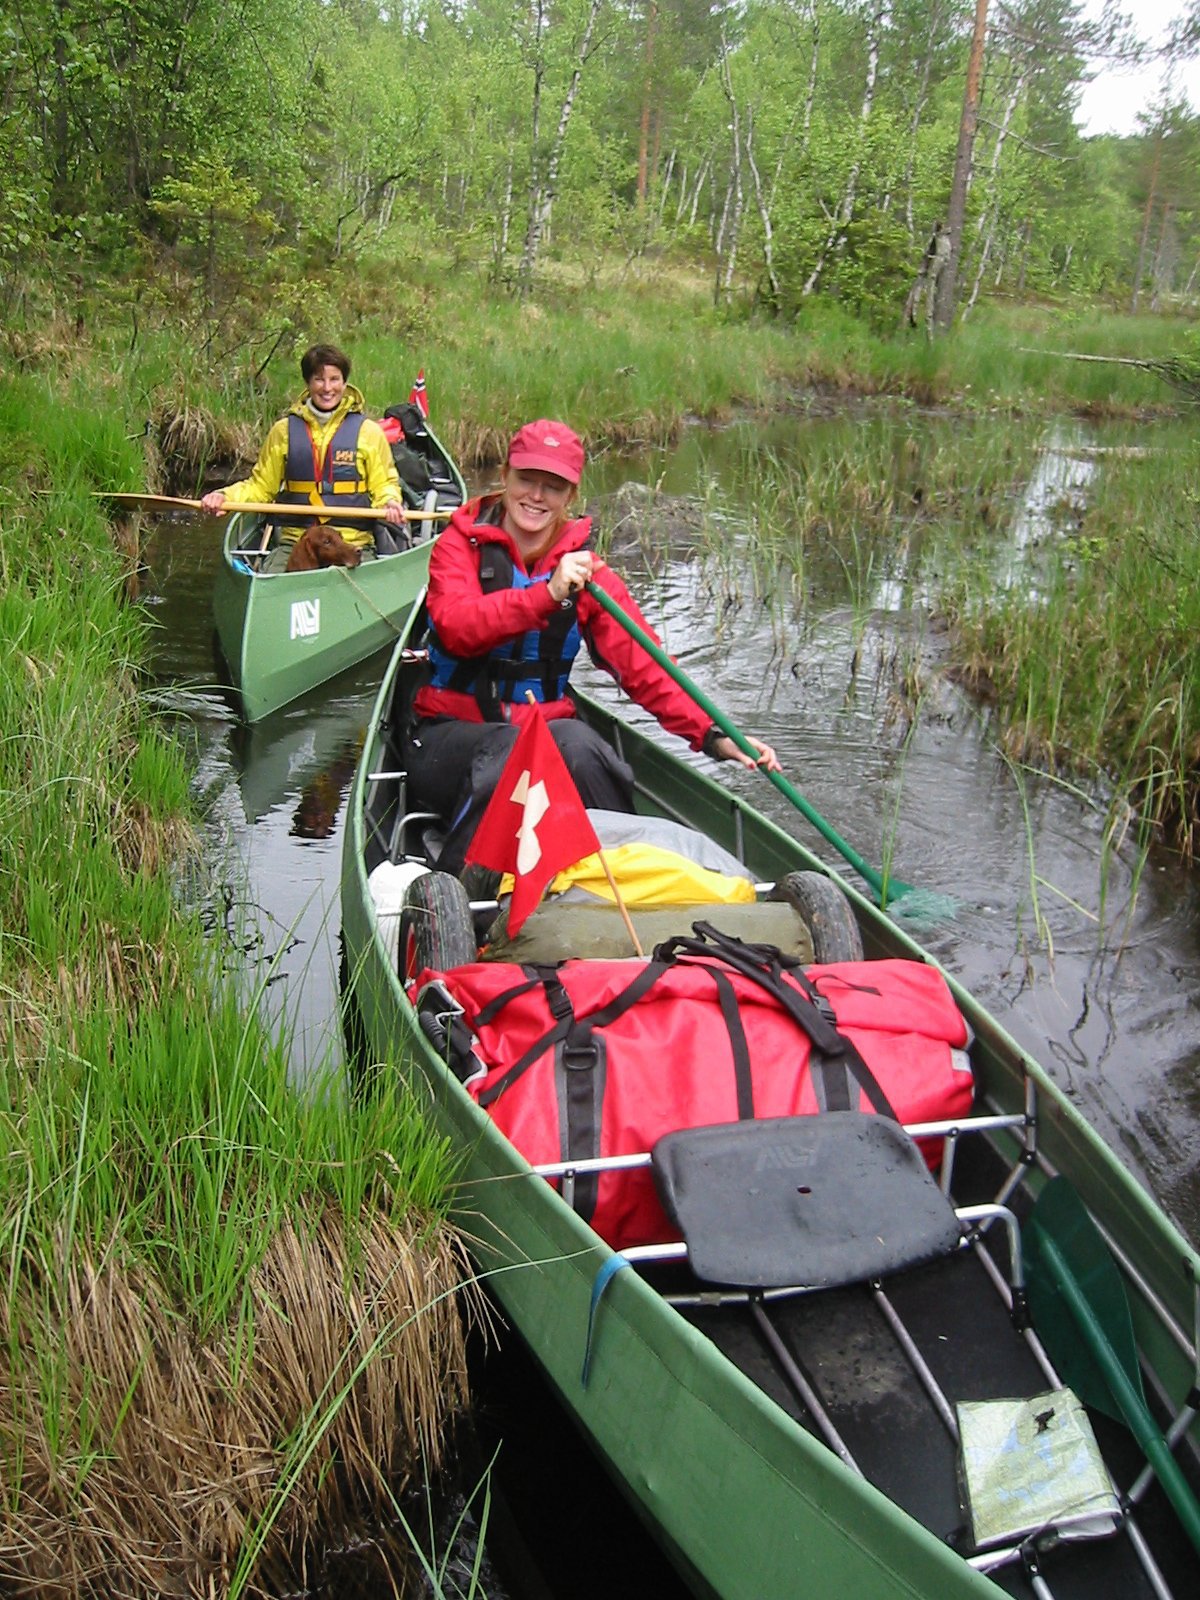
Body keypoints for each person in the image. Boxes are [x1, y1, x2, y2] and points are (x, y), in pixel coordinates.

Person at [406, 418, 780, 877]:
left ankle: (621, 881)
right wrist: (546, 596)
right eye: (526, 479)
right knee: (509, 754)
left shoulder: (588, 573)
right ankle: (462, 892)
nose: (536, 496)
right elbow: (457, 627)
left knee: (583, 749)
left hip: (542, 734)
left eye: (553, 486)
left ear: (570, 496)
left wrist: (713, 735)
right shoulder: (457, 548)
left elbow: (646, 665)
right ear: (505, 476)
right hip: (448, 738)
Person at [200, 343, 406, 572]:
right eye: (319, 379)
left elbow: (384, 484)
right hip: (296, 542)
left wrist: (390, 502)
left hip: (350, 541)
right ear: (308, 383)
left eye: (334, 379)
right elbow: (260, 487)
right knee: (272, 580)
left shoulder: (369, 432)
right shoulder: (283, 431)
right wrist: (224, 496)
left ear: (344, 382)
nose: (327, 388)